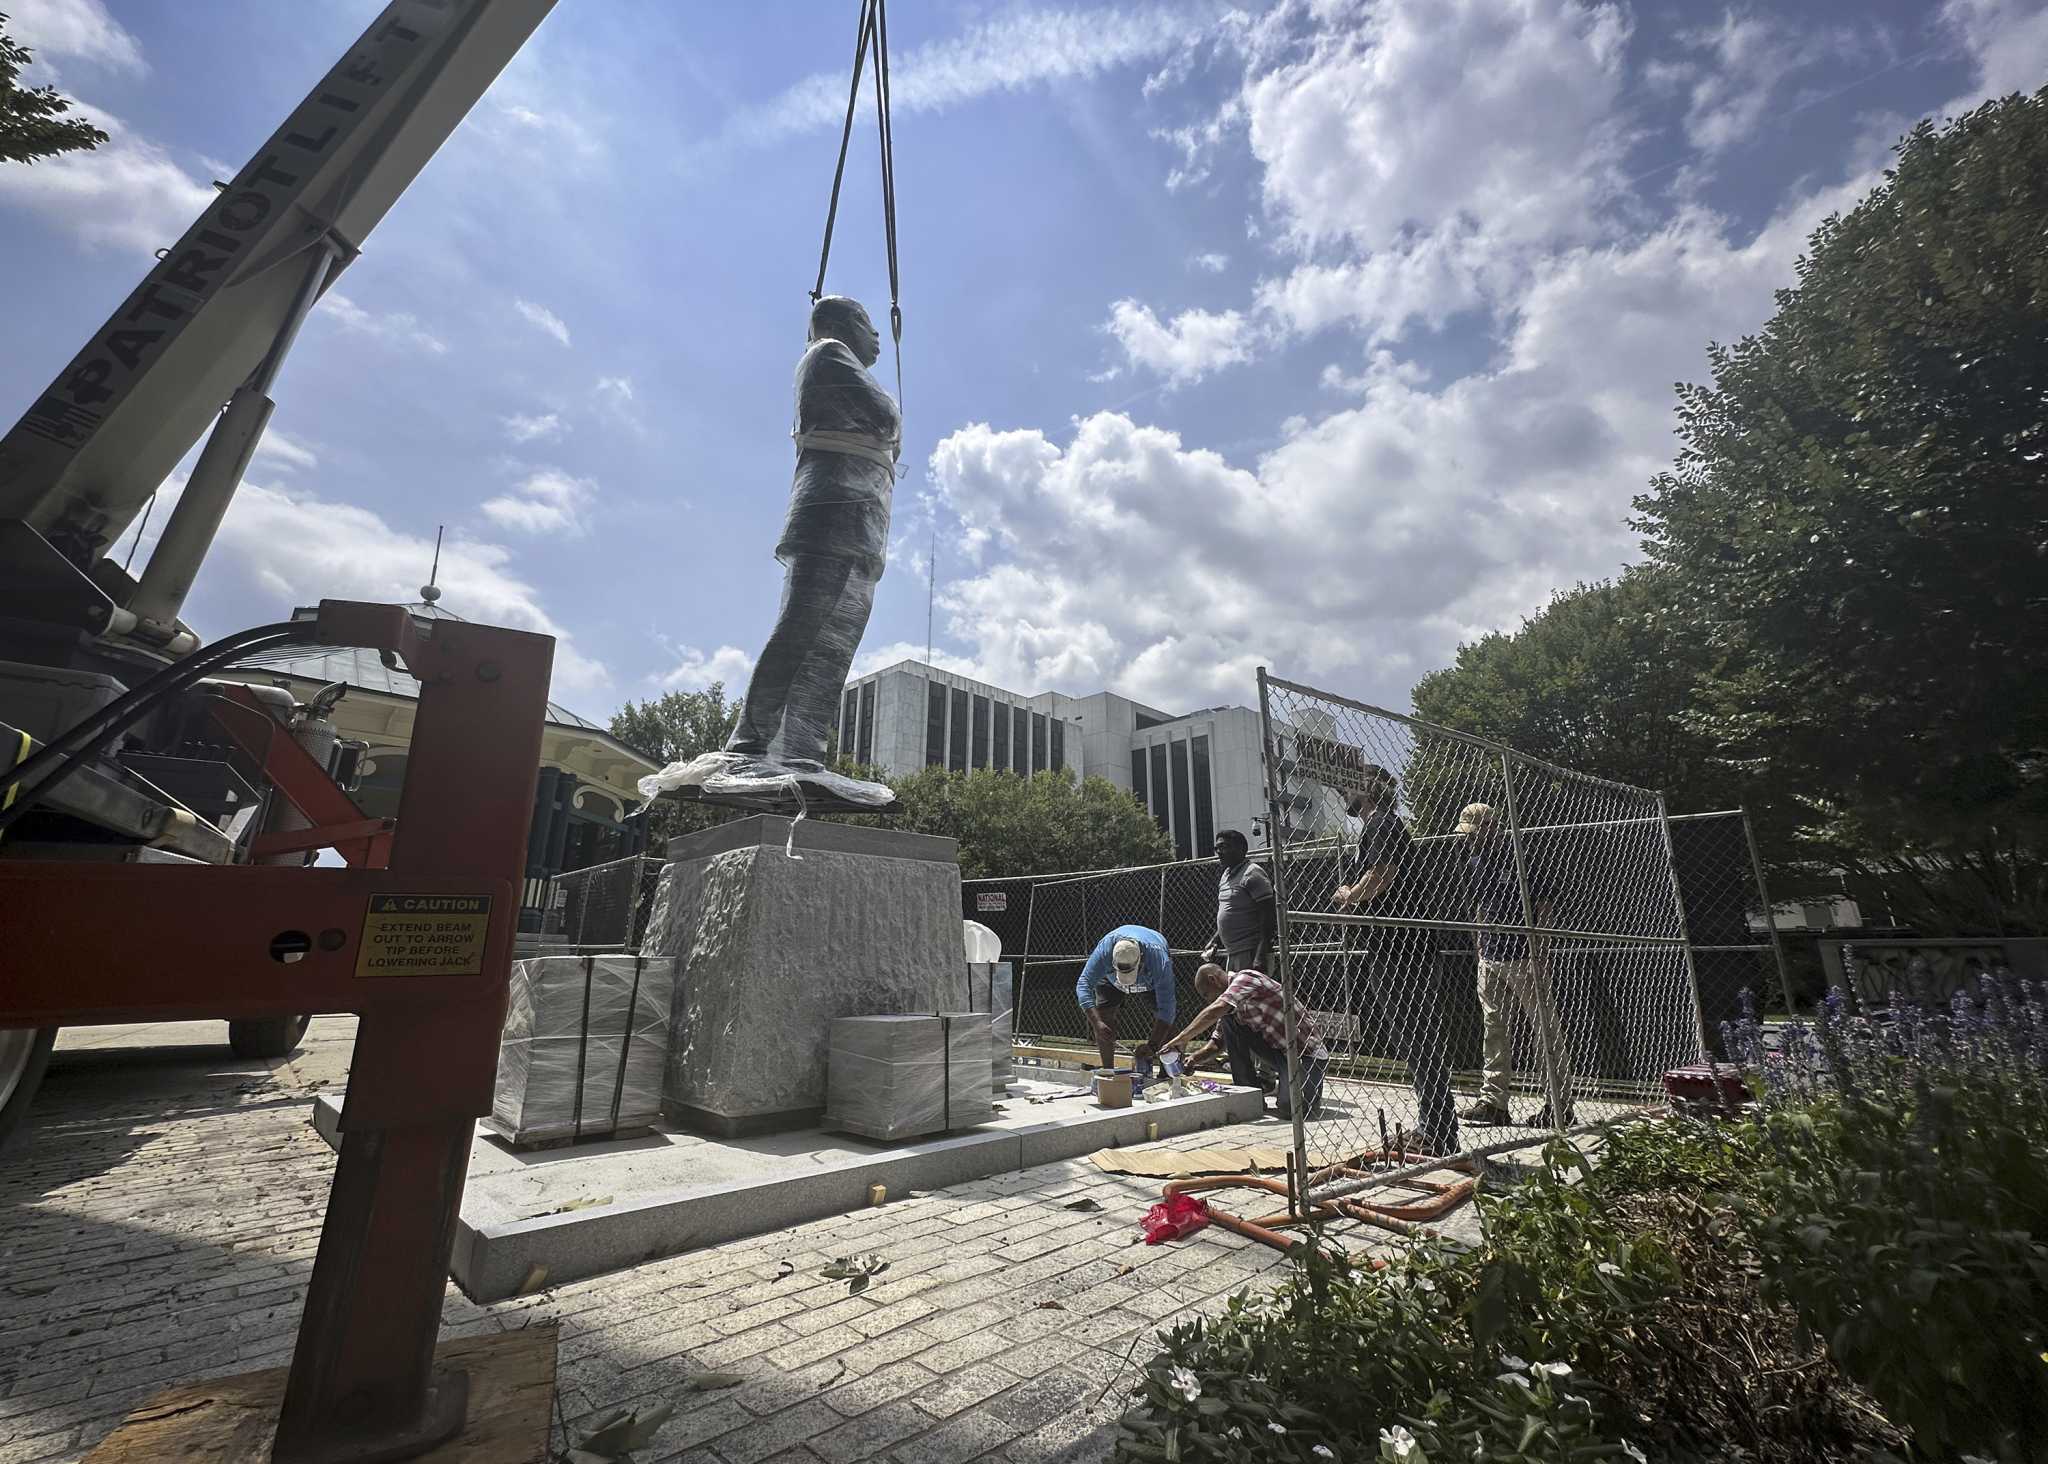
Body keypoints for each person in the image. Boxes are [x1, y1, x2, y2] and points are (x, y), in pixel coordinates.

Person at [724, 296, 899, 772]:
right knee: (802, 629)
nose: (878, 335)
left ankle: (801, 751)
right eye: (868, 323)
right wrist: (891, 426)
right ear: (842, 323)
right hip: (830, 515)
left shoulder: (836, 357)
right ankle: (750, 744)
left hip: (860, 525)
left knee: (834, 643)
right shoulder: (826, 353)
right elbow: (883, 416)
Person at [1332, 768, 1459, 1154]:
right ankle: (1435, 1127)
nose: (1342, 792)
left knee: (1418, 1039)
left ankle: (1437, 1131)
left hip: (1401, 950)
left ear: (1368, 791)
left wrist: (1349, 896)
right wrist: (1356, 898)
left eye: (1348, 785)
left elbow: (1383, 873)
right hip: (1401, 946)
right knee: (1417, 1040)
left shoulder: (1382, 823)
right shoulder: (1383, 825)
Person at [1457, 802, 1572, 1127]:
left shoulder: (1522, 856)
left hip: (1524, 955)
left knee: (1544, 1029)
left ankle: (1559, 1104)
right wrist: (1479, 944)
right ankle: (1494, 1103)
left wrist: (1540, 949)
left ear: (1491, 828)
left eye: (1474, 833)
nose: (1469, 840)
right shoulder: (1475, 859)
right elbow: (1478, 903)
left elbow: (1545, 902)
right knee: (1494, 1030)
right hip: (1490, 956)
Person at [1162, 963, 1327, 1120]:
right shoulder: (1230, 1007)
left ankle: (1300, 1086)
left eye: (1206, 994)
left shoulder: (1246, 978)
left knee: (1290, 1110)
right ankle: (1249, 1095)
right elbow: (1218, 1043)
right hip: (1281, 1054)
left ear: (1213, 980)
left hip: (1306, 1056)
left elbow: (1215, 1009)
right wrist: (1194, 1059)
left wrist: (1181, 1039)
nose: (1208, 1001)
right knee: (1228, 1020)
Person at [1075, 924, 1177, 1072]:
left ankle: (1166, 1073)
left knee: (1167, 1025)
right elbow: (1083, 985)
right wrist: (1097, 1023)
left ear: (1141, 959)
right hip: (1111, 979)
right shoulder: (1105, 951)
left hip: (1149, 980)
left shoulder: (1159, 960)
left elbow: (1167, 1009)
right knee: (1103, 1018)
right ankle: (1108, 1071)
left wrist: (1153, 1045)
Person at [1203, 829, 1276, 973]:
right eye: (1216, 848)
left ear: (1241, 848)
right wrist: (1216, 939)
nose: (1219, 852)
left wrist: (1260, 955)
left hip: (1250, 952)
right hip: (1233, 953)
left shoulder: (1252, 873)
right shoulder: (1226, 875)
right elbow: (1234, 911)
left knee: (1252, 996)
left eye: (1224, 847)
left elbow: (1269, 915)